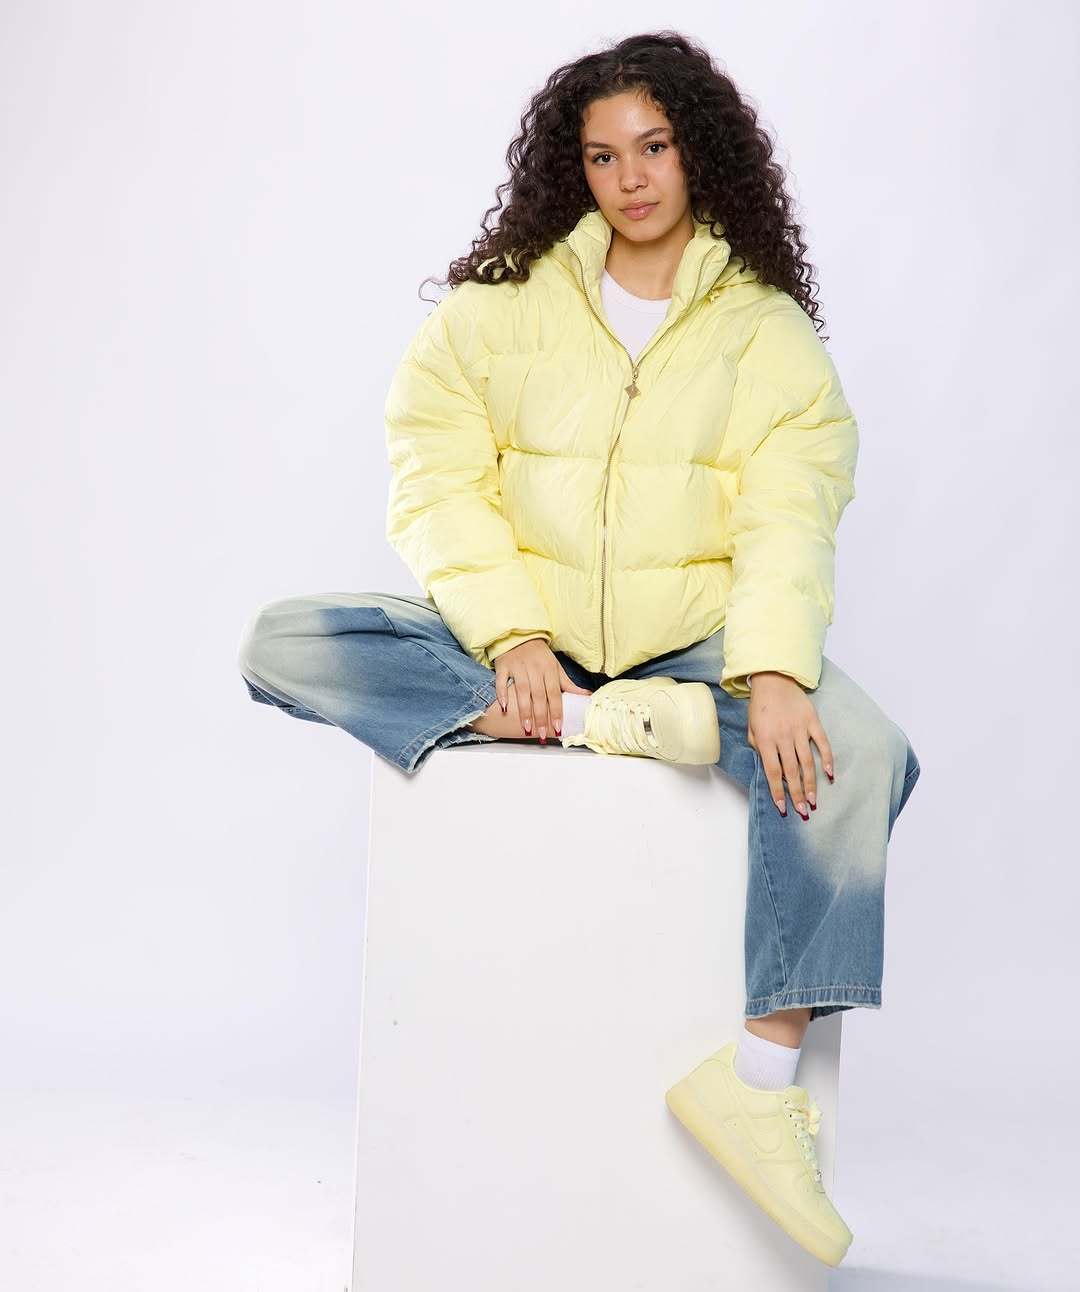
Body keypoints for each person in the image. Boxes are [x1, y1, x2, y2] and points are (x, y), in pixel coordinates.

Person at [236, 31, 921, 1269]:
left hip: (695, 644)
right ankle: (584, 718)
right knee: (285, 640)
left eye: (654, 147)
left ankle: (759, 1085)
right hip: (528, 645)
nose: (632, 178)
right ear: (574, 168)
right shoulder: (496, 310)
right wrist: (515, 633)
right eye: (603, 156)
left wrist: (772, 670)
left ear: (700, 153)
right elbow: (434, 473)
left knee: (860, 751)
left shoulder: (765, 332)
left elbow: (791, 507)